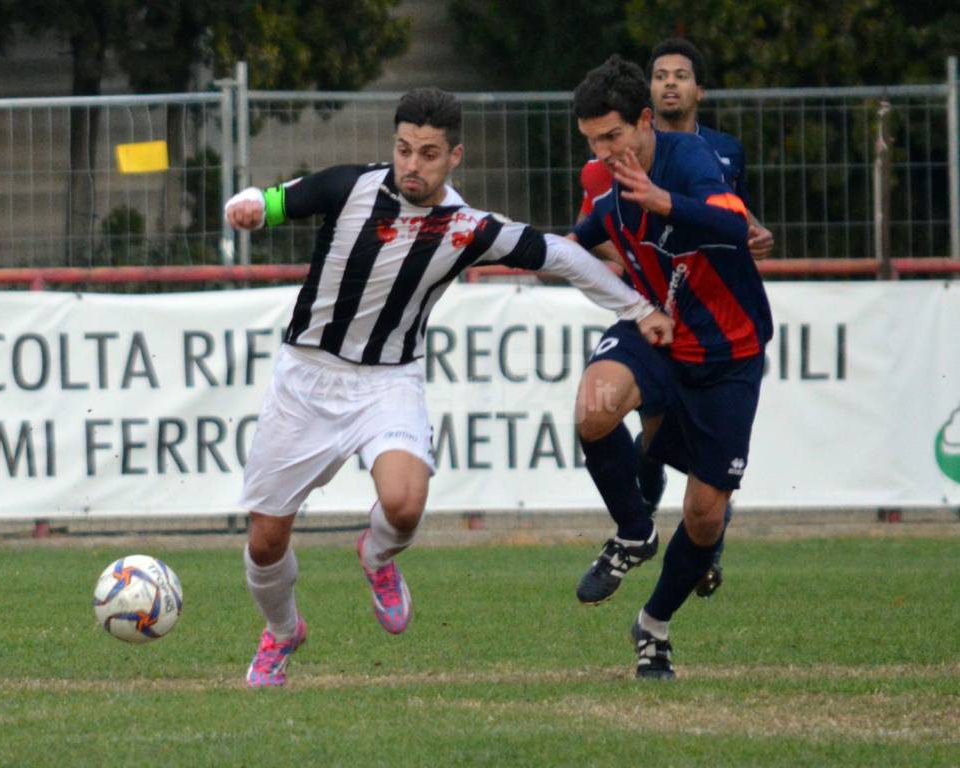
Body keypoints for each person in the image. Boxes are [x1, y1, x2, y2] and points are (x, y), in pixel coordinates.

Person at [224, 86, 673, 688]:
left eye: (429, 153)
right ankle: (282, 634)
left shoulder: (465, 228)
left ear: (454, 157)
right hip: (305, 377)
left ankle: (377, 556)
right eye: (405, 149)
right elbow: (275, 199)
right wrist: (247, 204)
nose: (413, 164)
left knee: (406, 503)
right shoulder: (349, 187)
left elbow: (562, 256)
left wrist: (639, 306)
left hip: (388, 381)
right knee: (265, 541)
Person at [570, 56, 773, 678]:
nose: (604, 152)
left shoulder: (687, 160)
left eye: (613, 136)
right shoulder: (606, 187)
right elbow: (580, 239)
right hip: (657, 329)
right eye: (592, 141)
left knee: (704, 513)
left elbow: (734, 224)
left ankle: (653, 626)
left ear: (644, 120)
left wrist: (664, 202)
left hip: (727, 350)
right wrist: (633, 298)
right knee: (594, 411)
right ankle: (634, 531)